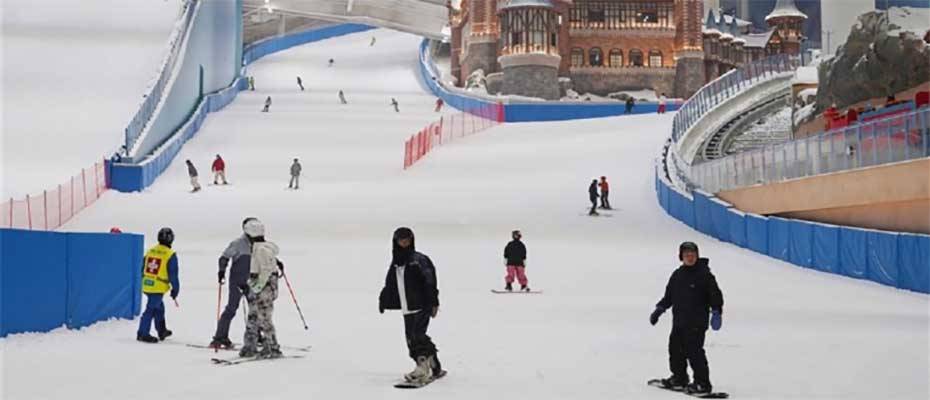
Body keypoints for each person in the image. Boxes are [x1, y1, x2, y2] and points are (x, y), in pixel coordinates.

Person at [649, 242, 724, 396]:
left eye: (692, 254)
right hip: (679, 321)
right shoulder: (678, 275)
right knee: (675, 350)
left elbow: (715, 295)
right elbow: (669, 296)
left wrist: (716, 312)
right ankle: (679, 378)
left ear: (697, 256)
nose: (690, 257)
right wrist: (660, 309)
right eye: (686, 255)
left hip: (696, 322)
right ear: (681, 257)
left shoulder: (705, 275)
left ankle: (703, 384)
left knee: (694, 352)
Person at [379, 227, 445, 385]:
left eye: (407, 239)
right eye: (401, 239)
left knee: (417, 336)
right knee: (411, 338)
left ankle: (423, 367)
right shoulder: (396, 262)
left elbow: (430, 281)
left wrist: (434, 302)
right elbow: (391, 283)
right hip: (406, 305)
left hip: (421, 304)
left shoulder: (419, 259)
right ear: (395, 241)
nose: (404, 242)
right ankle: (434, 365)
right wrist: (384, 299)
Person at [238, 219, 285, 359]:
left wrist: (257, 286)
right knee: (253, 316)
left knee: (264, 317)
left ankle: (272, 348)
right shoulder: (259, 248)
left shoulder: (262, 250)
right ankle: (249, 347)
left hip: (264, 288)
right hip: (259, 286)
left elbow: (265, 270)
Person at [210, 218, 258, 349]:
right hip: (237, 282)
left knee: (256, 309)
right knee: (231, 309)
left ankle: (256, 335)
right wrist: (221, 272)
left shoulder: (259, 243)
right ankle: (220, 337)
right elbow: (224, 257)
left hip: (253, 282)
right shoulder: (237, 243)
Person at [137, 228, 180, 343]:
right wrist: (175, 289)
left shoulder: (151, 251)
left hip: (146, 284)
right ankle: (142, 333)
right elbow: (173, 274)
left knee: (159, 307)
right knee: (151, 309)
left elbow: (142, 267)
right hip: (157, 287)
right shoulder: (170, 254)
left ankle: (162, 330)